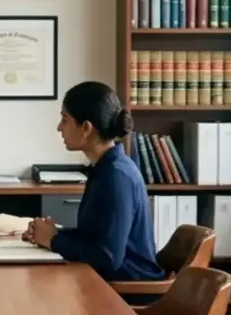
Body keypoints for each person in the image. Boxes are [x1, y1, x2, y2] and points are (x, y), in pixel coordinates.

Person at [23, 81, 165, 286]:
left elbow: (108, 258)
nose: (59, 128)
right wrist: (51, 234)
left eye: (65, 120)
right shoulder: (105, 168)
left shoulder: (117, 175)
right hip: (109, 283)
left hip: (128, 291)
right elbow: (95, 239)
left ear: (86, 128)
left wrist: (54, 240)